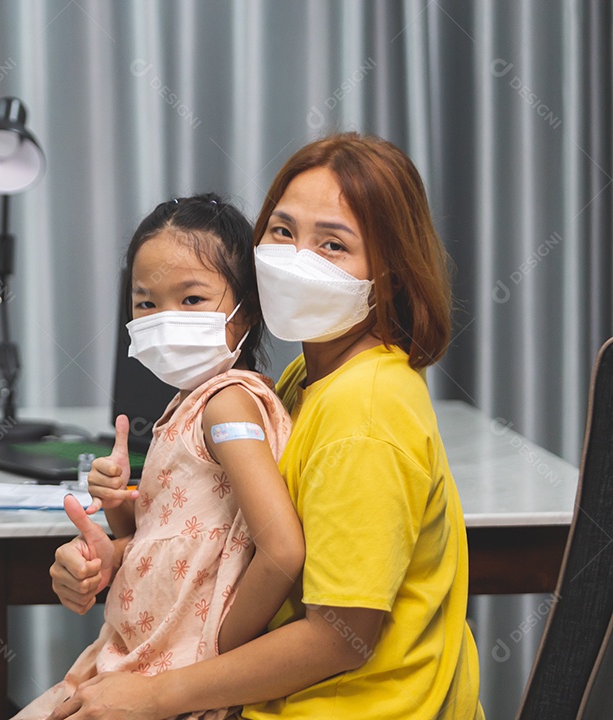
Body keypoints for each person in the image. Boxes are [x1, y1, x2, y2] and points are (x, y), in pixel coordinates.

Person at [47, 134, 483, 720]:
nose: (296, 258)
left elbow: (339, 636)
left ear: (391, 274)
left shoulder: (367, 411)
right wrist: (120, 552)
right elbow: (220, 539)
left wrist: (161, 688)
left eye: (333, 244)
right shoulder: (307, 378)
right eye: (282, 231)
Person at [18, 195, 301, 720]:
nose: (165, 319)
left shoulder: (226, 406)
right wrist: (120, 506)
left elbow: (282, 551)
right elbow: (187, 537)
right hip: (134, 664)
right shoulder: (191, 406)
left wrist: (211, 656)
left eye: (191, 299)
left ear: (247, 311)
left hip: (172, 683)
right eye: (146, 303)